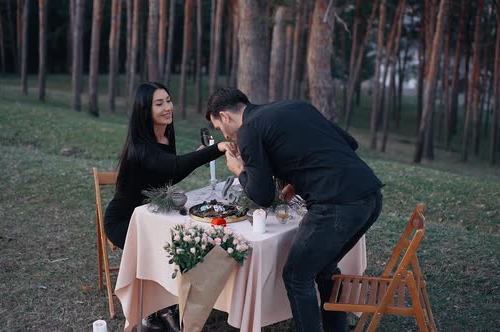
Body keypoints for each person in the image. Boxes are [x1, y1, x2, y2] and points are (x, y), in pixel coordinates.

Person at [206, 88, 383, 332]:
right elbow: (348, 143)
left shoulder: (248, 129)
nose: (225, 134)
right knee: (325, 267)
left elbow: (262, 195)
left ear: (225, 116)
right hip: (370, 196)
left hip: (337, 205)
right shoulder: (293, 106)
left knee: (296, 276)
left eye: (219, 128)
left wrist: (238, 169)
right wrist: (296, 180)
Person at [105, 82, 235, 331]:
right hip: (126, 221)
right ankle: (153, 312)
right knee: (167, 248)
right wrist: (215, 149)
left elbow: (168, 174)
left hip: (154, 216)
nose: (168, 107)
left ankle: (178, 303)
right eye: (159, 103)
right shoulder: (140, 146)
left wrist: (195, 155)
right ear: (145, 109)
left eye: (168, 100)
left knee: (188, 238)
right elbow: (174, 166)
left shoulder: (164, 135)